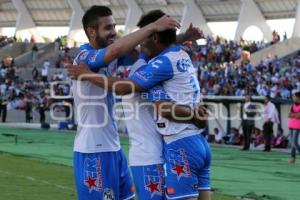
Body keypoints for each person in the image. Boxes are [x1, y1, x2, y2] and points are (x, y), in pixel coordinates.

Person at [68, 9, 211, 200]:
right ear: (91, 32)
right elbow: (126, 50)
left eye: (114, 26)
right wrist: (154, 27)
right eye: (108, 27)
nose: (114, 32)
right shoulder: (85, 57)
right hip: (93, 149)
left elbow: (150, 48)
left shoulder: (143, 64)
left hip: (118, 148)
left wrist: (178, 36)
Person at [287, 92, 300, 163]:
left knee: (295, 142)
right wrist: (295, 115)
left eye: (294, 96)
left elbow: (299, 116)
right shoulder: (293, 105)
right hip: (291, 124)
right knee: (292, 142)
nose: (293, 98)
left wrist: (293, 115)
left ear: (298, 97)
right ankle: (293, 158)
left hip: (297, 125)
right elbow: (289, 115)